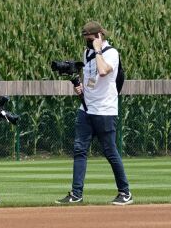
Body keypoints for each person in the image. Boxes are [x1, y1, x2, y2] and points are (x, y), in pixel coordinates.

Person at [56, 21, 132, 205]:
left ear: (99, 36)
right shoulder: (87, 53)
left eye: (90, 39)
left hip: (105, 111)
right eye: (86, 40)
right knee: (79, 150)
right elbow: (92, 78)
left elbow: (104, 71)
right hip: (86, 109)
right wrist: (82, 88)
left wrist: (98, 50)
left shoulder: (111, 53)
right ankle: (76, 193)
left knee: (110, 151)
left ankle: (125, 192)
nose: (87, 43)